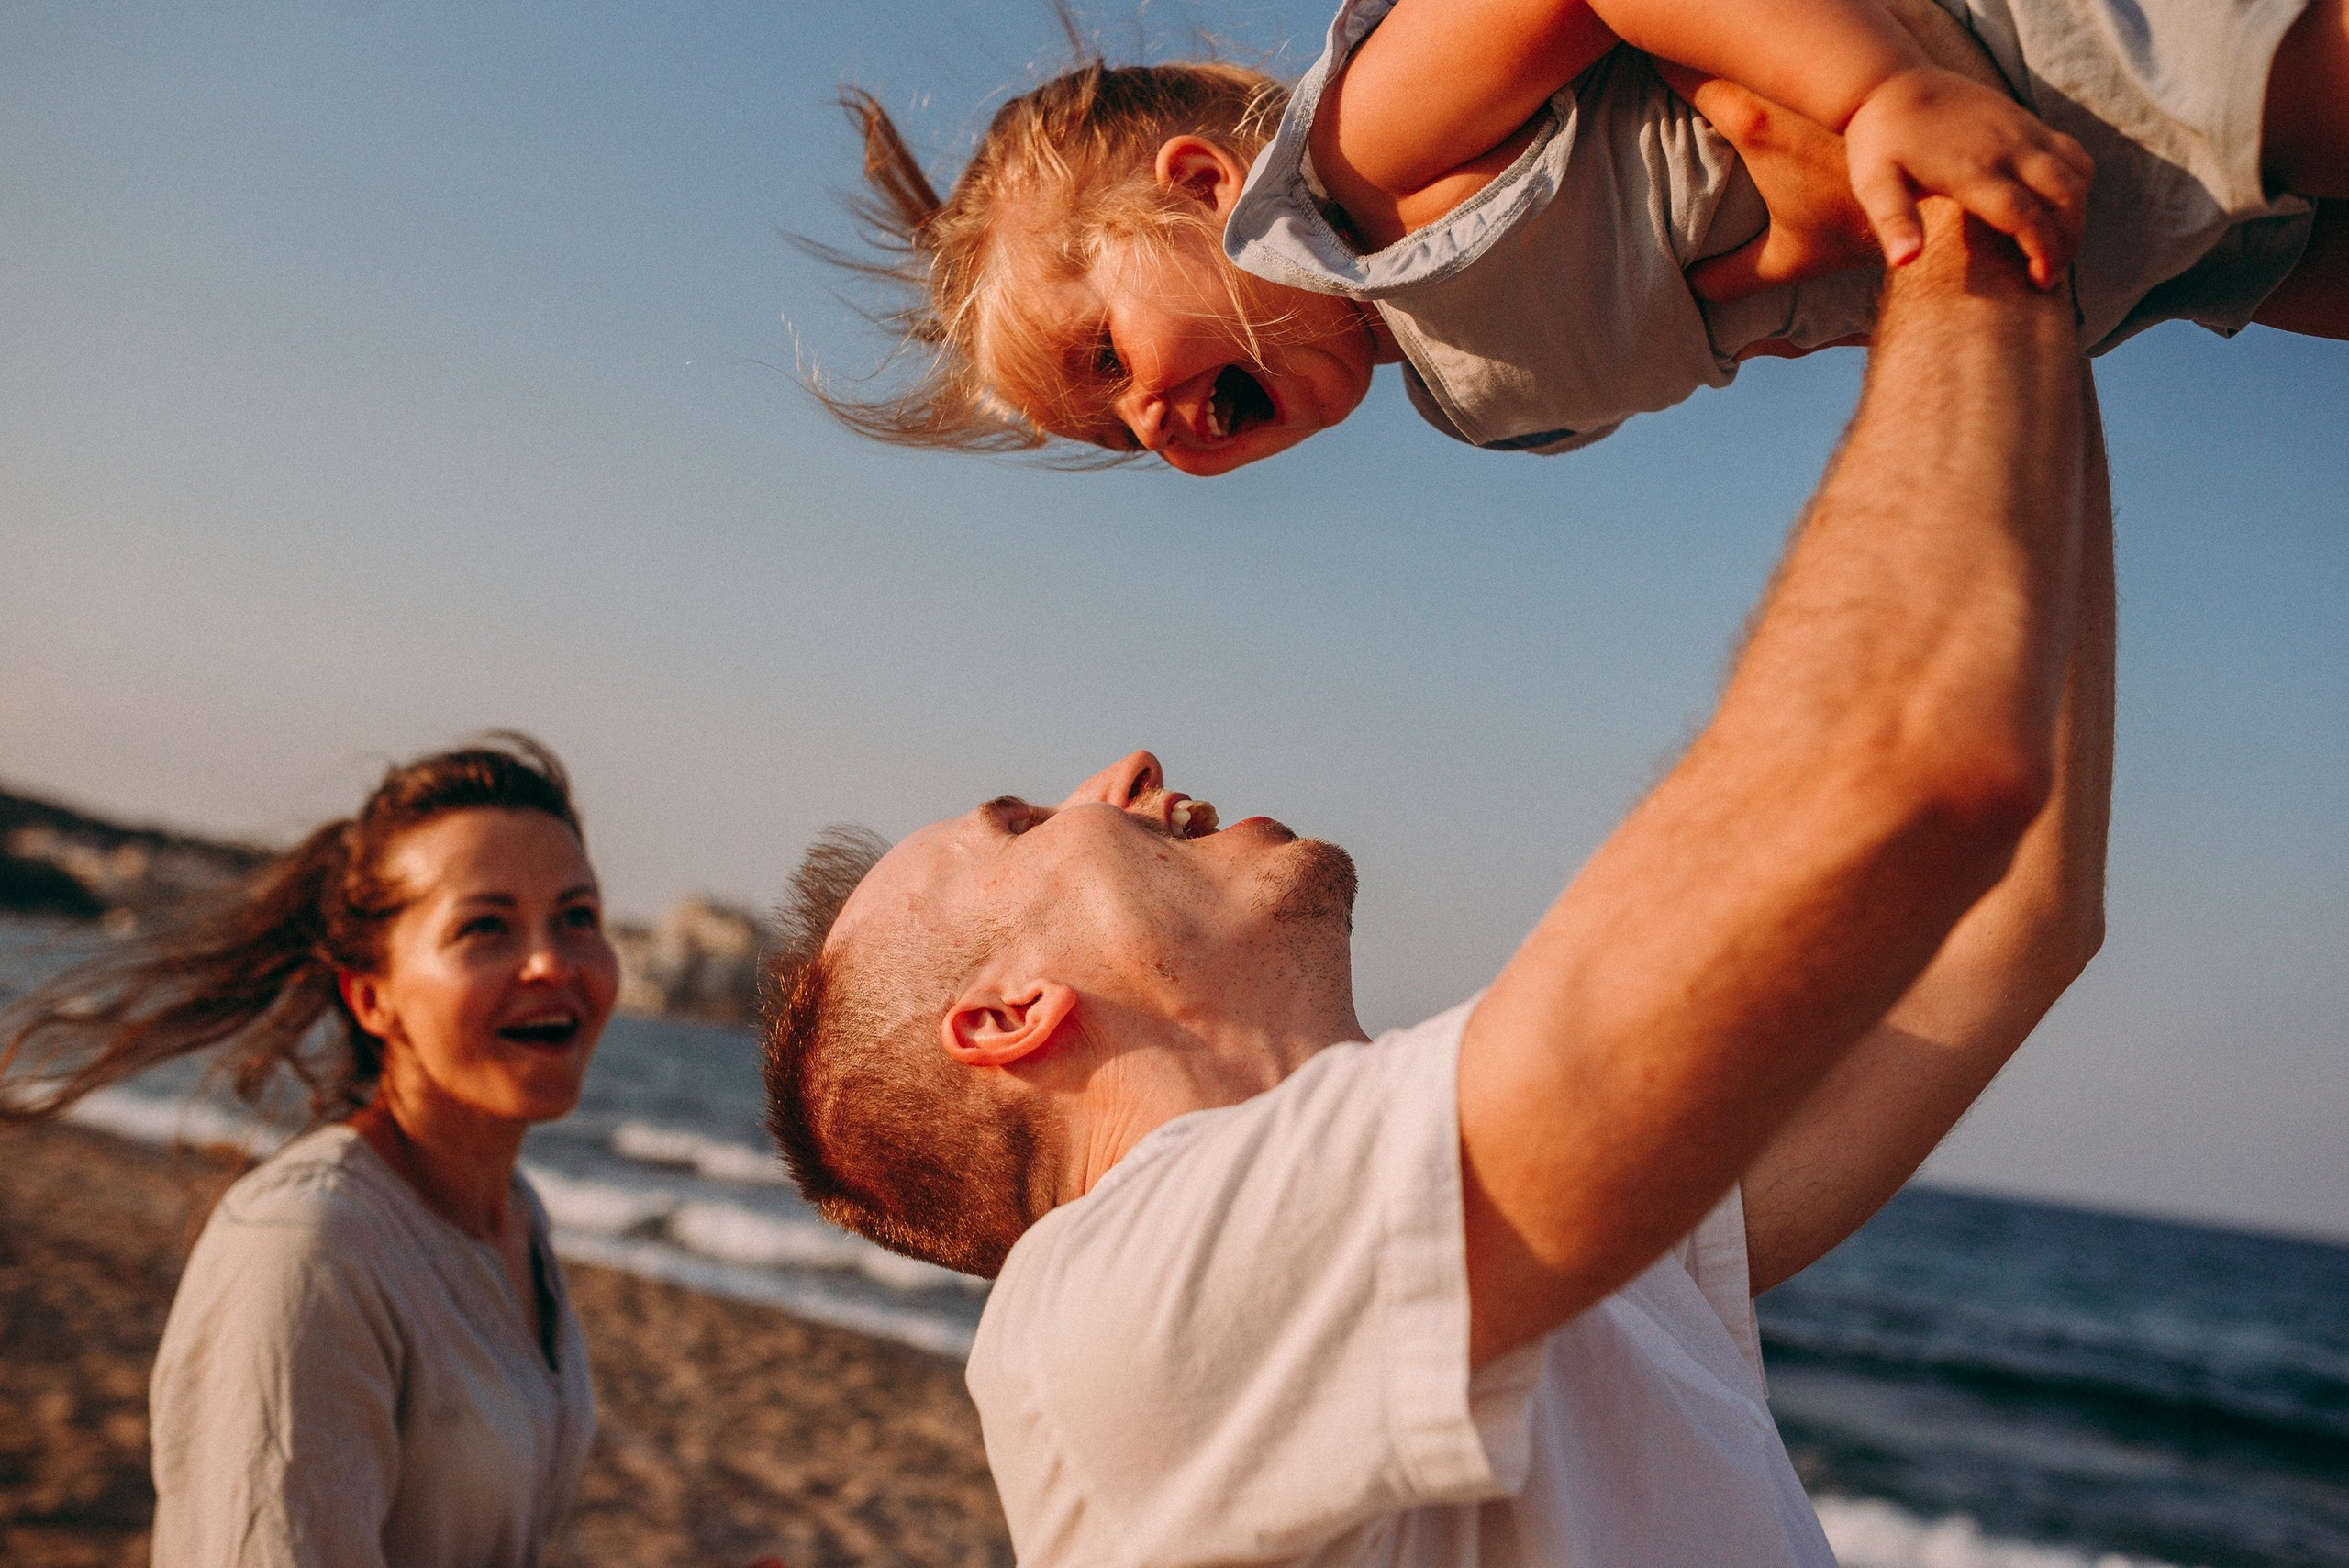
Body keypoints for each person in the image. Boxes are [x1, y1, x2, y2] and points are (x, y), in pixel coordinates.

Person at [763, 204, 2110, 1564]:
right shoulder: (1118, 1300)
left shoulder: (1508, 1229)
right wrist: (1963, 227)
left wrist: (2050, 275)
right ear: (1008, 1015)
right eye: (1020, 822)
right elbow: (1915, 768)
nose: (1122, 769)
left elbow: (2013, 921)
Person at [810, 0, 2345, 471]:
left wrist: (1872, 90)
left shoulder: (1361, 161)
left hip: (1998, 64)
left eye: (1105, 355)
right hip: (2070, 252)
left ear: (1209, 185)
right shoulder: (1485, 405)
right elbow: (1733, 303)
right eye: (1117, 437)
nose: (1152, 423)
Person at [0, 737, 617, 1568]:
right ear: (372, 995)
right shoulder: (307, 1248)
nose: (552, 961)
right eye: (486, 926)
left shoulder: (518, 1220)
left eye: (577, 916)